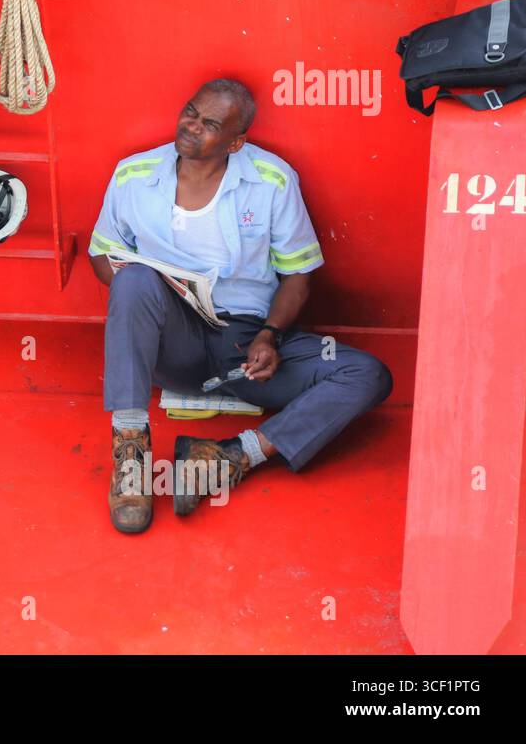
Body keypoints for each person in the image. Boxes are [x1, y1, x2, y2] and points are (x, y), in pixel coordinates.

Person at [89, 78, 392, 534]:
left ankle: (230, 455)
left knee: (368, 375)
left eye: (209, 124)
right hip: (173, 346)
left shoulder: (271, 181)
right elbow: (101, 252)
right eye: (190, 112)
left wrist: (270, 334)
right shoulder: (134, 175)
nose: (191, 126)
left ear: (236, 141)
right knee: (131, 279)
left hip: (244, 346)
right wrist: (148, 303)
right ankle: (130, 452)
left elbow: (298, 276)